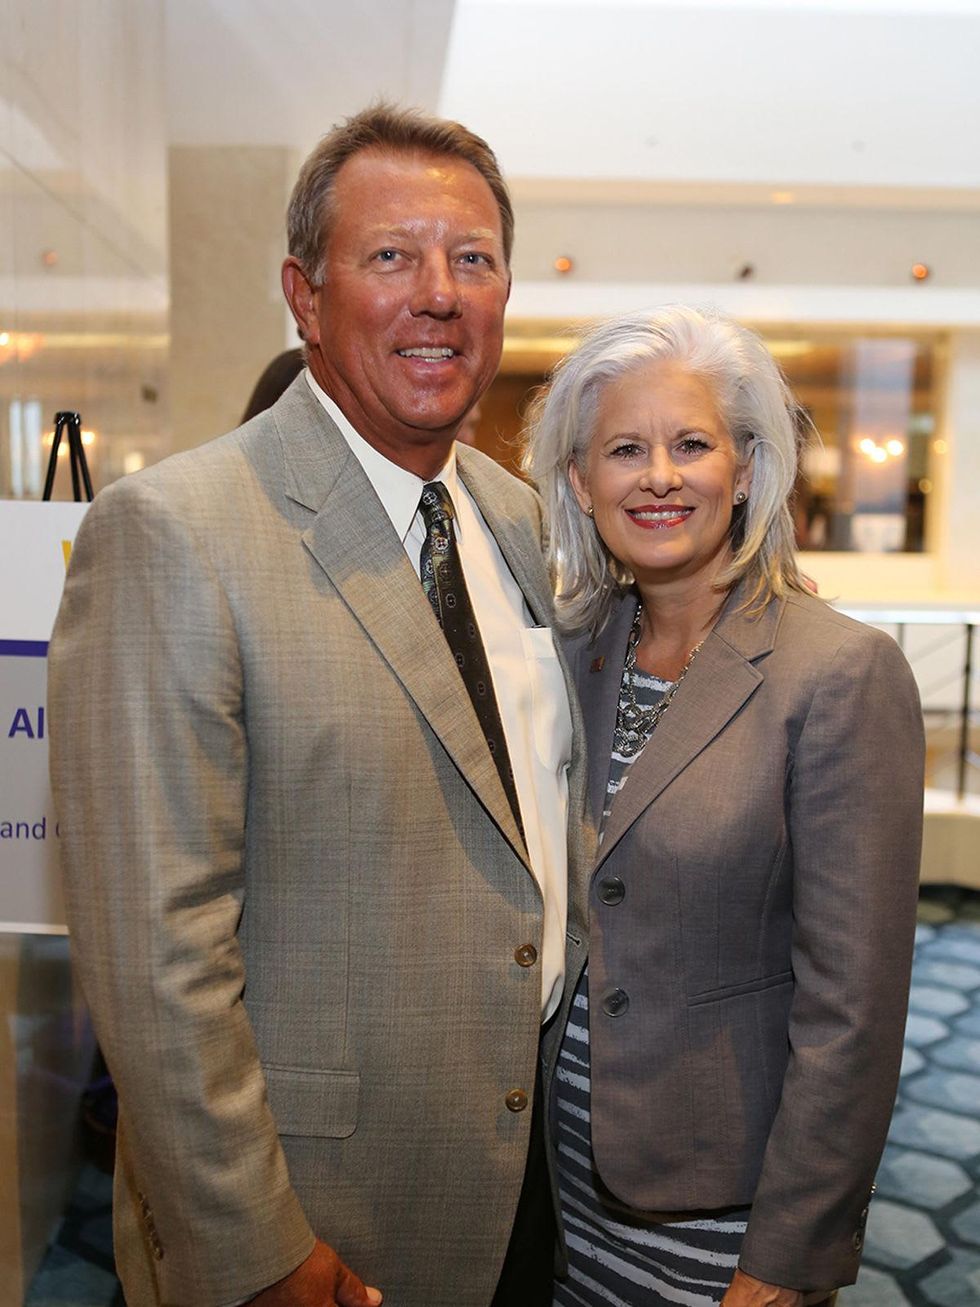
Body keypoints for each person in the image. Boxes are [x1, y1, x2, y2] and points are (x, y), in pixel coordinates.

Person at [49, 104, 590, 1307]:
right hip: (310, 1212)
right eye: (390, 255)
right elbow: (153, 950)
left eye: (472, 258)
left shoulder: (518, 521)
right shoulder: (176, 533)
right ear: (303, 293)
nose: (439, 293)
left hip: (528, 1178)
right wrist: (253, 1250)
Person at [524, 306, 924, 1307]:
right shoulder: (573, 653)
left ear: (744, 469)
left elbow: (853, 1009)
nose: (658, 475)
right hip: (564, 1187)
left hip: (723, 1213)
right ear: (580, 481)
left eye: (690, 443)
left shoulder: (837, 671)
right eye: (624, 448)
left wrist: (785, 1257)